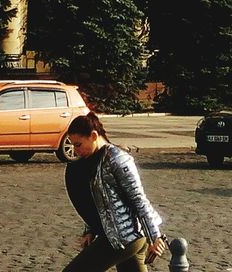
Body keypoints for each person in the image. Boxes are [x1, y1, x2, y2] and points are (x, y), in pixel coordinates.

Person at [63, 112, 166, 272]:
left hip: (125, 238)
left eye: (78, 144)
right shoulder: (92, 160)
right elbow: (94, 202)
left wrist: (155, 236)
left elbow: (138, 199)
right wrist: (90, 230)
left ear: (94, 136)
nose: (76, 151)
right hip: (121, 236)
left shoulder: (118, 159)